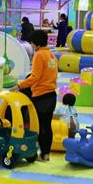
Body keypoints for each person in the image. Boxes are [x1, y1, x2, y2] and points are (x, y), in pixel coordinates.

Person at [14, 30, 57, 161]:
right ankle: (45, 154)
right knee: (47, 126)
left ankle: (35, 152)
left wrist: (19, 86)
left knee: (38, 127)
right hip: (51, 95)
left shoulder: (39, 55)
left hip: (41, 96)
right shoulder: (51, 55)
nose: (31, 46)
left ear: (36, 44)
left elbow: (35, 77)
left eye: (32, 43)